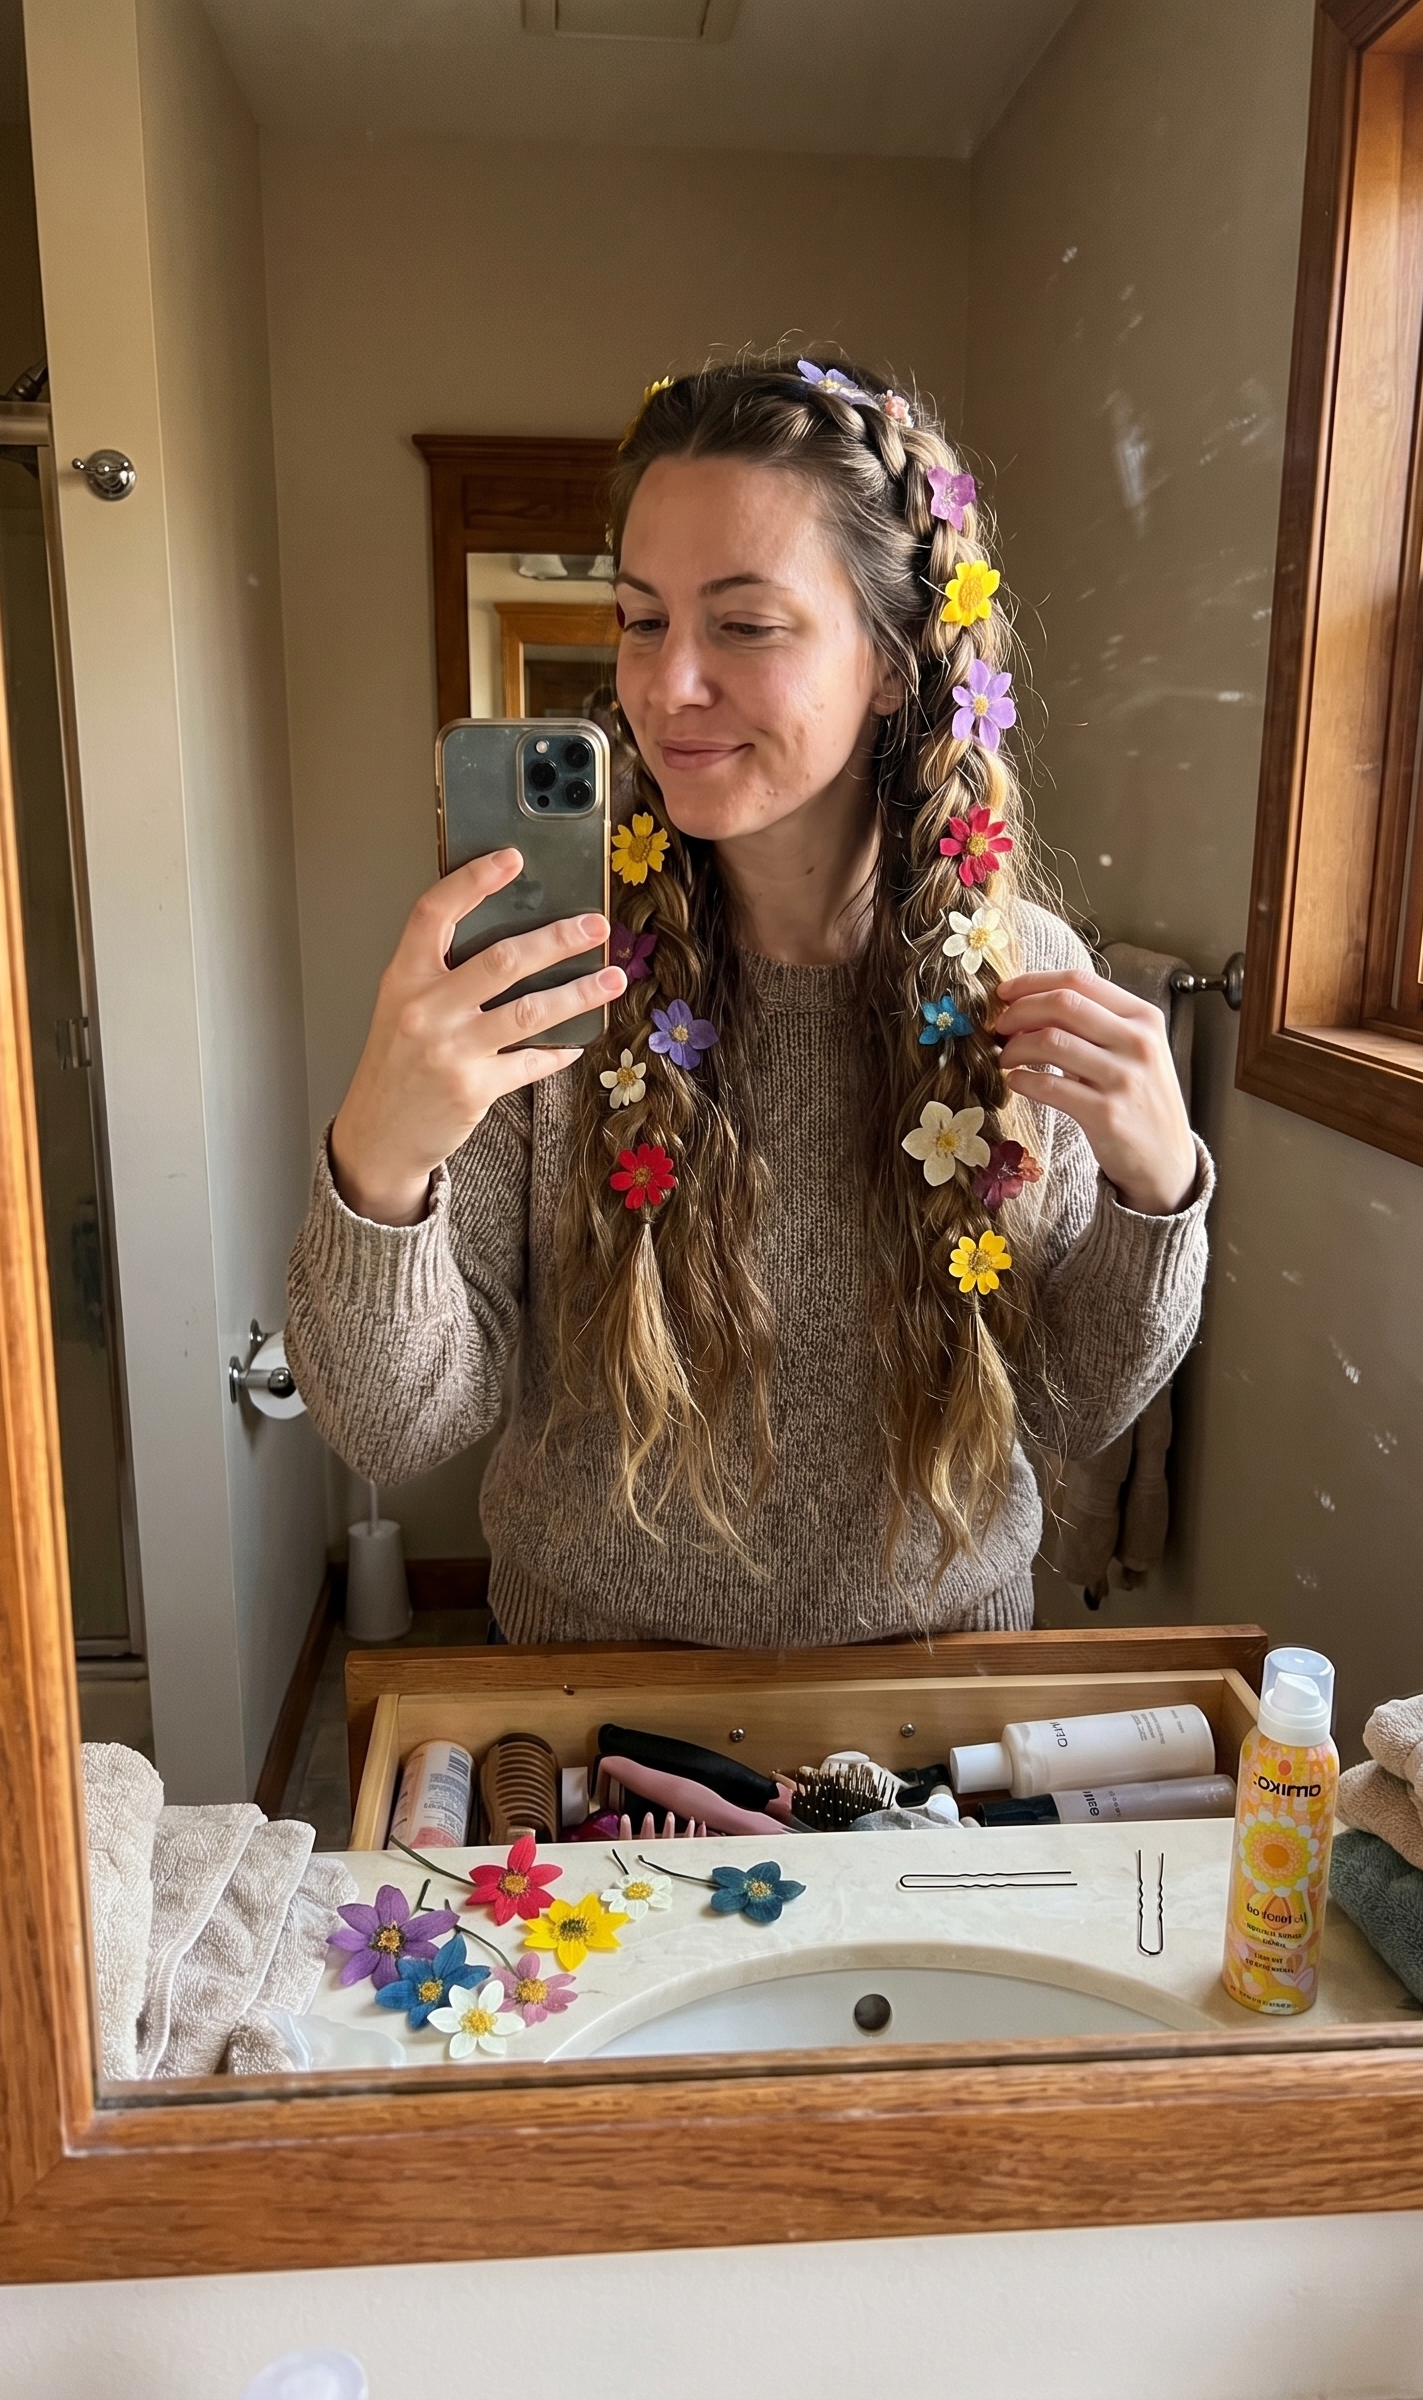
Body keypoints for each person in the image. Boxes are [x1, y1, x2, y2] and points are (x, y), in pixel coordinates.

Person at [287, 357, 1211, 1647]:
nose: (665, 687)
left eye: (745, 624)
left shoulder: (1021, 975)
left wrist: (1152, 1198)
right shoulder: (554, 974)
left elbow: (1063, 1410)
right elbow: (393, 1427)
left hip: (935, 1718)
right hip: (588, 1716)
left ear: (895, 663)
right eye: (641, 617)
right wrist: (379, 1168)